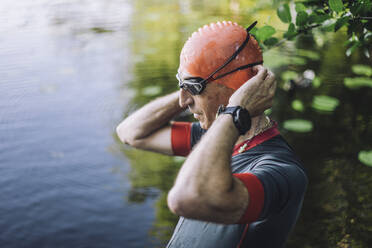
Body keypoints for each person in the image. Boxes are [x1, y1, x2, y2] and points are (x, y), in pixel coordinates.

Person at [116, 21, 307, 248]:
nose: (183, 101)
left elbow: (186, 198)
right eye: (181, 84)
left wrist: (236, 111)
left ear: (239, 89)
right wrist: (191, 85)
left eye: (195, 88)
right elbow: (130, 133)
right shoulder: (209, 135)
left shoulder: (281, 171)